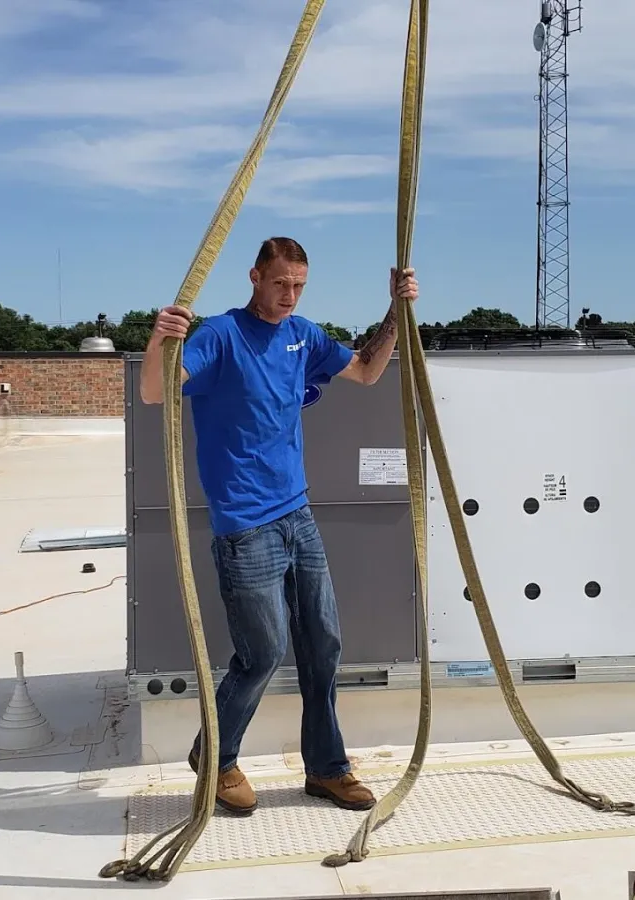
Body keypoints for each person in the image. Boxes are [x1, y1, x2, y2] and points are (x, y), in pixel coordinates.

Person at [139, 236, 419, 815]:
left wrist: (398, 312)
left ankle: (326, 768)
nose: (289, 295)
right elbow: (151, 391)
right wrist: (161, 337)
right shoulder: (220, 335)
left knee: (323, 645)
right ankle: (215, 758)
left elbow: (367, 371)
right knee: (261, 653)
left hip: (298, 514)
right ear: (254, 277)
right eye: (279, 284)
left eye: (298, 285)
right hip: (245, 526)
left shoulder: (304, 334)